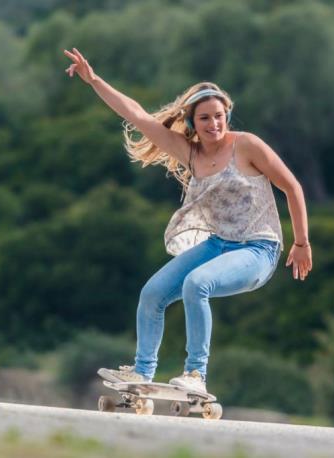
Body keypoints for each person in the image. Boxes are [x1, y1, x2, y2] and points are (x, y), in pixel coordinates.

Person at [64, 48, 312, 393]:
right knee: (152, 293)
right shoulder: (190, 152)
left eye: (219, 116)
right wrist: (94, 81)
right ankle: (142, 372)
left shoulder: (247, 146)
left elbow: (292, 187)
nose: (214, 124)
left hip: (258, 249)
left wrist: (301, 242)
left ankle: (196, 374)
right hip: (217, 245)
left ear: (227, 115)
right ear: (192, 123)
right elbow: (136, 114)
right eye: (205, 118)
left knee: (197, 284)